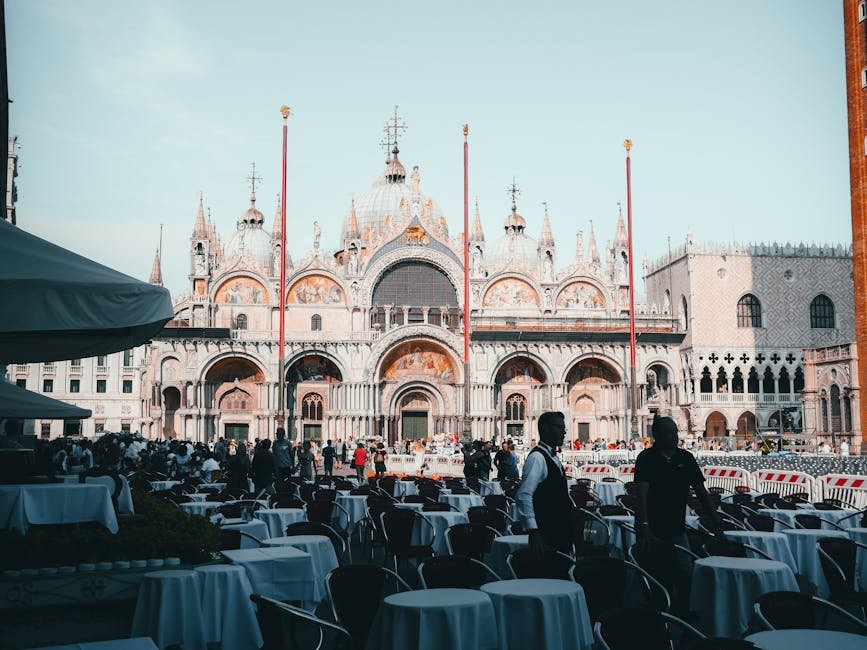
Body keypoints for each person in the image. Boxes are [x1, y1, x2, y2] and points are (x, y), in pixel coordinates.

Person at [635, 416, 721, 612]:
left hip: (676, 528)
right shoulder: (646, 458)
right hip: (653, 529)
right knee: (657, 578)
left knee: (686, 575)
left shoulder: (686, 458)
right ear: (656, 435)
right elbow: (642, 494)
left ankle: (682, 616)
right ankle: (659, 622)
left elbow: (701, 491)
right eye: (669, 432)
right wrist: (644, 528)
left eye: (675, 432)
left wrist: (715, 518)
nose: (675, 436)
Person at [515, 412, 572, 554]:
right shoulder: (537, 458)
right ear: (546, 429)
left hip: (560, 531)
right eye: (559, 427)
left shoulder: (553, 458)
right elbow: (524, 495)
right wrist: (534, 530)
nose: (564, 432)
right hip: (547, 535)